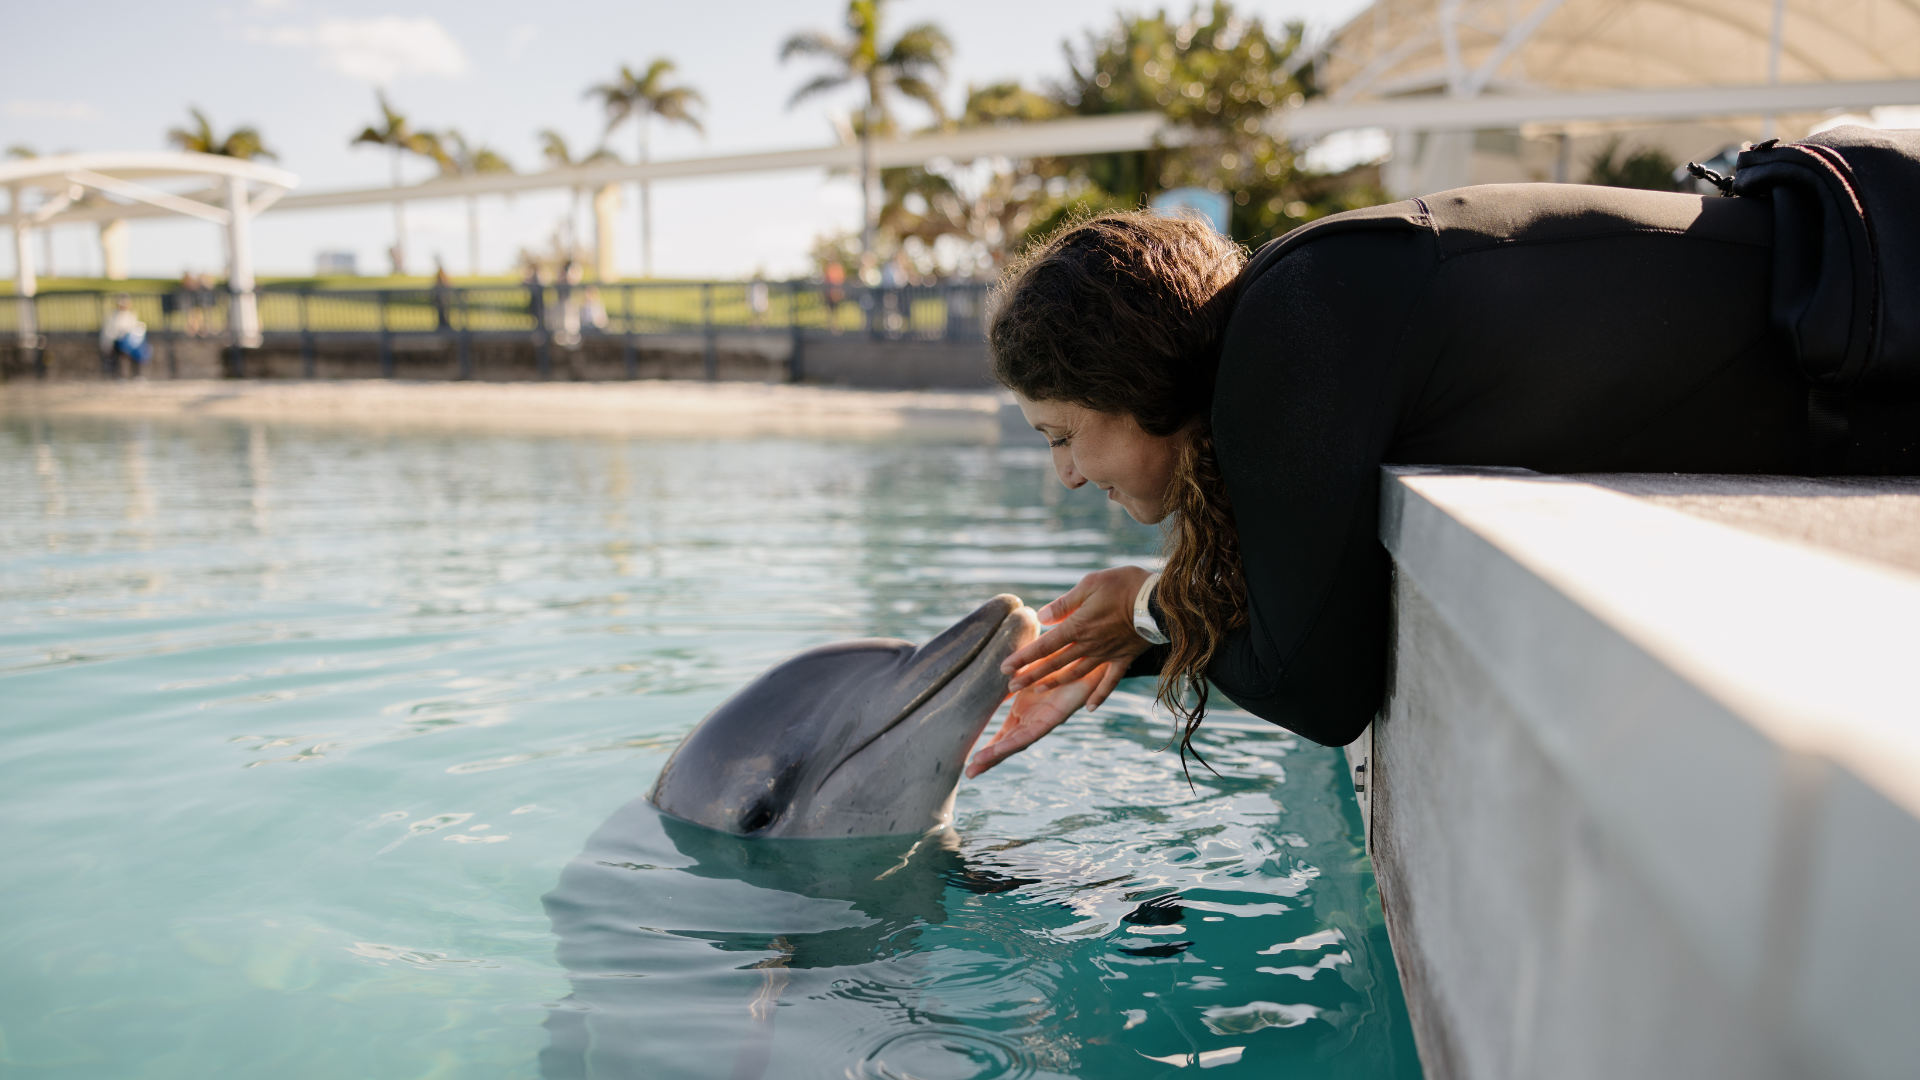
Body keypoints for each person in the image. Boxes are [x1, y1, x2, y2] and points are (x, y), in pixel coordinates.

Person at [964, 128, 1920, 779]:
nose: (1069, 474)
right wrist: (1138, 629)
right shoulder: (1291, 321)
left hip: (1884, 317)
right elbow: (1297, 602)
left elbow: (1316, 687)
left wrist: (1146, 609)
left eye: (1062, 435)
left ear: (1128, 380)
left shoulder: (1293, 329)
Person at [99, 294, 151, 379]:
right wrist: (107, 345)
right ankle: (122, 375)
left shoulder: (131, 315)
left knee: (140, 350)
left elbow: (134, 331)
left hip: (130, 343)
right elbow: (109, 333)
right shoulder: (113, 316)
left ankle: (138, 375)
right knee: (124, 350)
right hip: (117, 342)